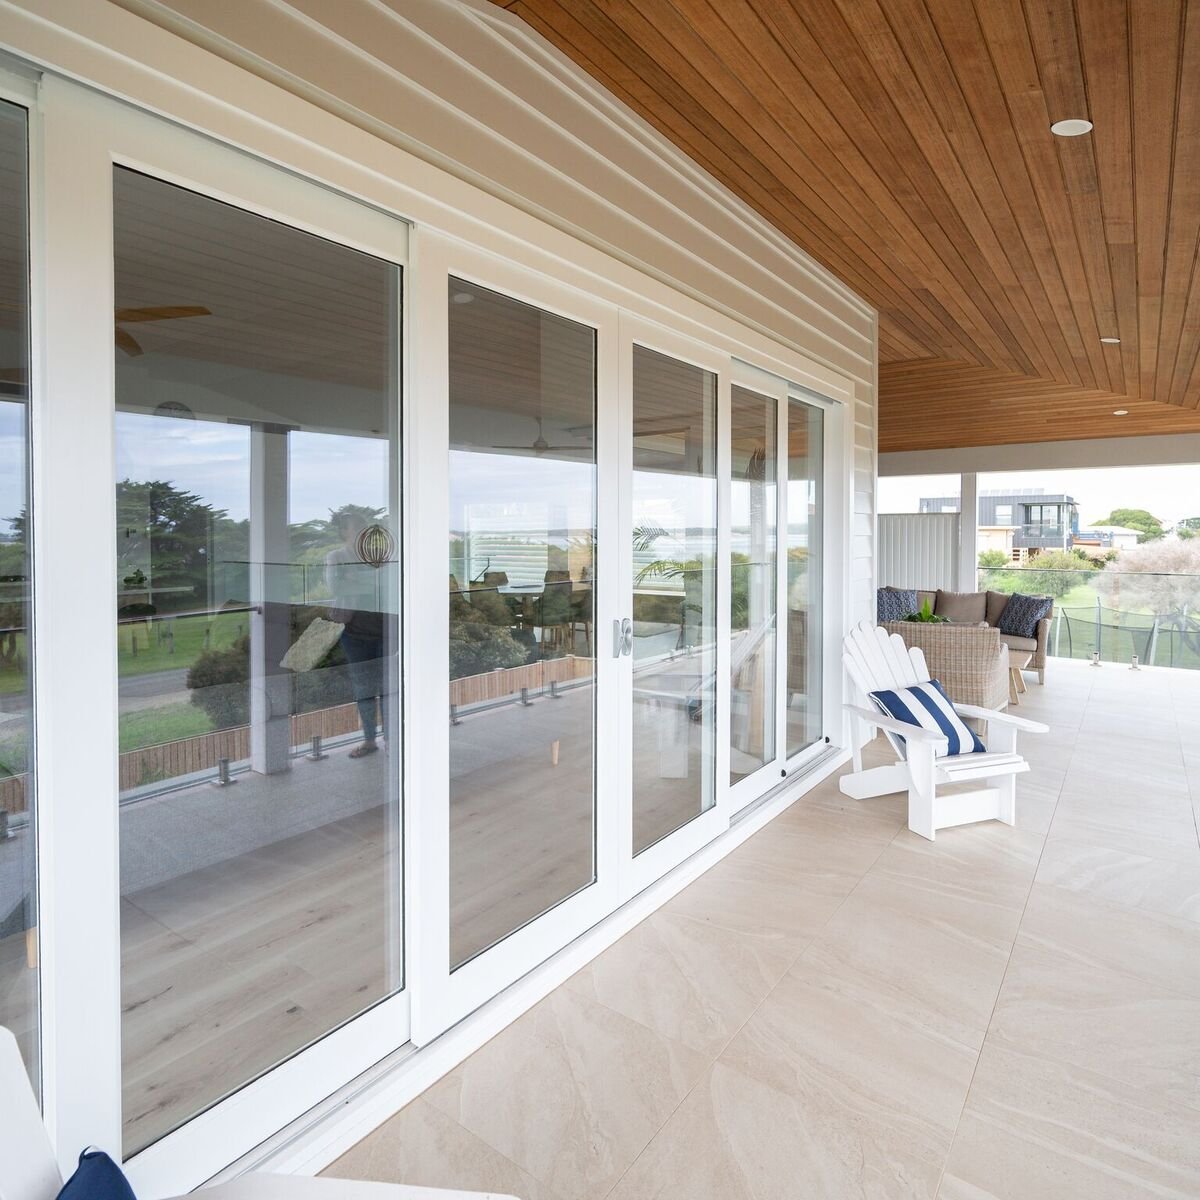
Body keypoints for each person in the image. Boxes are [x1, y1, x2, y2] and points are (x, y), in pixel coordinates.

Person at [325, 511, 389, 758]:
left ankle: (392, 739)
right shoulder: (336, 556)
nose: (363, 530)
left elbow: (387, 584)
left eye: (364, 526)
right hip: (353, 631)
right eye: (357, 527)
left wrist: (355, 578)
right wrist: (369, 580)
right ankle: (369, 740)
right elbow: (335, 587)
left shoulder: (378, 555)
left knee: (388, 687)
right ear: (344, 532)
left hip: (385, 628)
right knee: (363, 688)